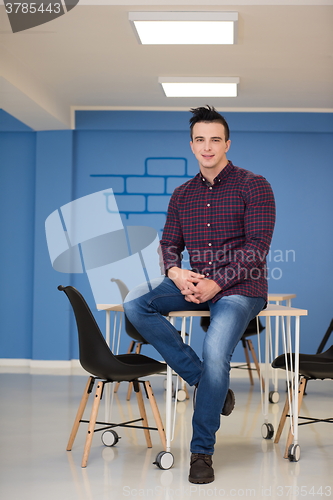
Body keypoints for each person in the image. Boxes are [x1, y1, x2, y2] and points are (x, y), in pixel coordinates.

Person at [124, 105, 276, 484]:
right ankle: (207, 383)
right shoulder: (182, 195)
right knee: (136, 305)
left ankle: (201, 452)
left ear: (227, 143)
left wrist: (217, 283)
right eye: (200, 140)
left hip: (242, 288)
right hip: (193, 283)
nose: (207, 147)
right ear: (191, 145)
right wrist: (175, 272)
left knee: (215, 350)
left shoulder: (254, 185)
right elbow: (169, 245)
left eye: (215, 140)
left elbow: (257, 247)